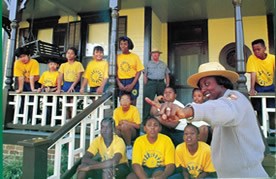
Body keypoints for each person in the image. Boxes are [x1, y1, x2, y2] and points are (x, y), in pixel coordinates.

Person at [146, 62, 269, 178]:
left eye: (207, 84)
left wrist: (186, 111)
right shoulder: (217, 105)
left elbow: (222, 109)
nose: (203, 90)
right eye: (200, 86)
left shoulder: (235, 98)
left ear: (222, 82)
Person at [246, 39, 275, 131]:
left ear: (265, 48)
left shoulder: (272, 58)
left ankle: (273, 129)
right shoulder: (252, 58)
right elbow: (253, 74)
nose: (256, 52)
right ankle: (261, 130)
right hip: (259, 86)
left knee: (272, 109)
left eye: (258, 49)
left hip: (270, 86)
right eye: (254, 50)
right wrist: (252, 88)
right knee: (259, 109)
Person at [143, 48, 170, 121]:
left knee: (162, 100)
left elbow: (167, 75)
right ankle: (146, 119)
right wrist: (146, 84)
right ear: (151, 55)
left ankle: (162, 118)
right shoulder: (148, 64)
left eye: (156, 53)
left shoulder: (163, 64)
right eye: (153, 53)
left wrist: (167, 84)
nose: (155, 54)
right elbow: (145, 74)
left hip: (161, 83)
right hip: (151, 83)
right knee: (148, 101)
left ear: (159, 55)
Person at [117, 36, 144, 106]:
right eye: (121, 44)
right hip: (121, 81)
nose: (123, 46)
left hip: (132, 81)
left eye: (125, 44)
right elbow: (115, 72)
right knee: (123, 103)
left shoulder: (135, 57)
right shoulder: (117, 57)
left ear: (129, 45)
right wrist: (119, 84)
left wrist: (132, 84)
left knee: (133, 102)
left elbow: (139, 71)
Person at [113, 94, 141, 160]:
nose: (125, 102)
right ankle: (118, 149)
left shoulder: (134, 109)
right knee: (115, 130)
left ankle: (129, 147)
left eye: (127, 99)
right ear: (120, 102)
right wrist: (123, 126)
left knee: (125, 126)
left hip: (133, 132)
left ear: (130, 101)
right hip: (121, 131)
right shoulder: (116, 111)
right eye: (122, 99)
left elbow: (138, 126)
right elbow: (116, 126)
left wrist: (126, 123)